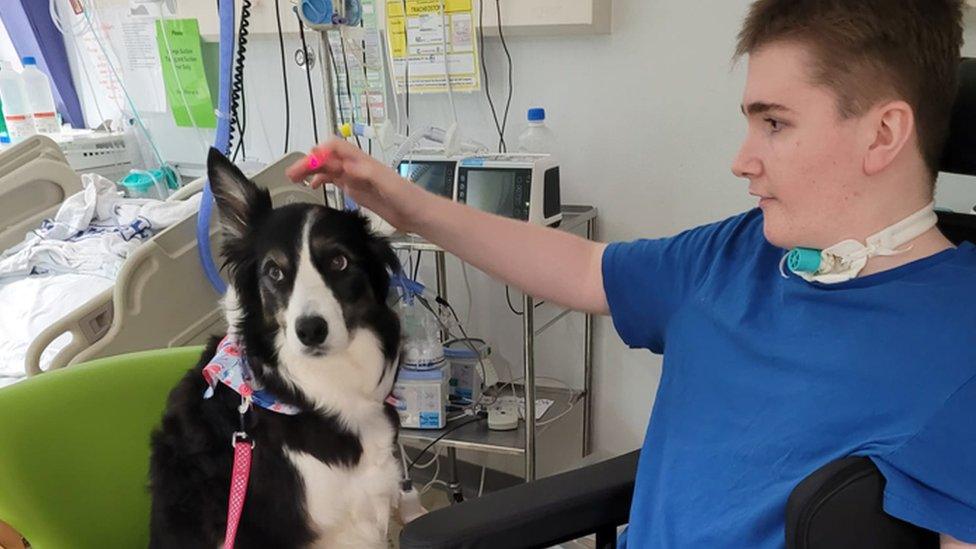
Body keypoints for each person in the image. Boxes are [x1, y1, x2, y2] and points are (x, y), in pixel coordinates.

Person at [286, 0, 976, 546]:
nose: (741, 158)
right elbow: (585, 268)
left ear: (883, 134)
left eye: (775, 124)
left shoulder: (958, 340)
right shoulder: (735, 256)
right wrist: (411, 208)